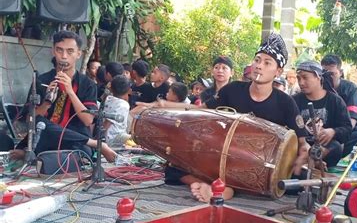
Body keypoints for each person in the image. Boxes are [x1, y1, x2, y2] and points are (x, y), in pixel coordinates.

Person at [139, 33, 309, 202]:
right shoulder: (233, 89)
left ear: (278, 71)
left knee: (295, 180)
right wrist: (161, 105)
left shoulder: (286, 102)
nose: (259, 66)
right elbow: (200, 111)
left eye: (267, 63)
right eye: (257, 60)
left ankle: (224, 188)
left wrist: (302, 154)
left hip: (257, 168)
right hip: (220, 158)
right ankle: (214, 186)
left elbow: (303, 144)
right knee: (173, 166)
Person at [10, 30, 116, 163]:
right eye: (59, 50)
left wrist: (70, 91)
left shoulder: (87, 84)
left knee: (82, 152)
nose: (64, 56)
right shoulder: (41, 80)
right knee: (41, 123)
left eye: (70, 51)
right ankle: (94, 144)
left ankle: (38, 155)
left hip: (75, 139)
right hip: (46, 135)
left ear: (79, 54)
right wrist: (47, 102)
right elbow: (29, 119)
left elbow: (88, 120)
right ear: (53, 51)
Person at [292, 61, 352, 168]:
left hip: (323, 148)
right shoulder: (294, 101)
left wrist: (333, 132)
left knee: (336, 147)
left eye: (305, 78)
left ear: (318, 77)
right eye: (299, 78)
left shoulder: (335, 101)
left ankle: (313, 161)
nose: (301, 82)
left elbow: (347, 129)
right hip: (300, 146)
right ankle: (309, 162)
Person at [321, 54, 357, 157]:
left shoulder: (350, 89)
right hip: (322, 131)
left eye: (332, 74)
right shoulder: (318, 87)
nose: (327, 77)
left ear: (340, 73)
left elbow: (352, 121)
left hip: (342, 132)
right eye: (324, 73)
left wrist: (338, 135)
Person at [103, 75, 131, 147]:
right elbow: (107, 122)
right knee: (134, 139)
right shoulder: (123, 105)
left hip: (109, 136)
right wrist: (98, 138)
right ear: (128, 90)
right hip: (115, 137)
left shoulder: (108, 98)